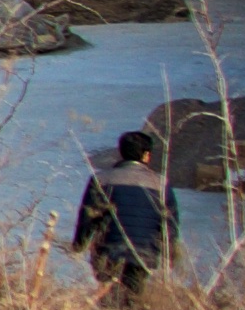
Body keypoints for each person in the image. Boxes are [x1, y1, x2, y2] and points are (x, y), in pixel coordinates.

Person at [72, 126, 173, 297]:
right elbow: (170, 224)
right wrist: (169, 256)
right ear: (147, 156)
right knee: (133, 298)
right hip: (144, 254)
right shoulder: (161, 184)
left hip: (109, 252)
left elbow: (88, 217)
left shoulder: (102, 180)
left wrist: (79, 245)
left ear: (120, 153)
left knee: (109, 298)